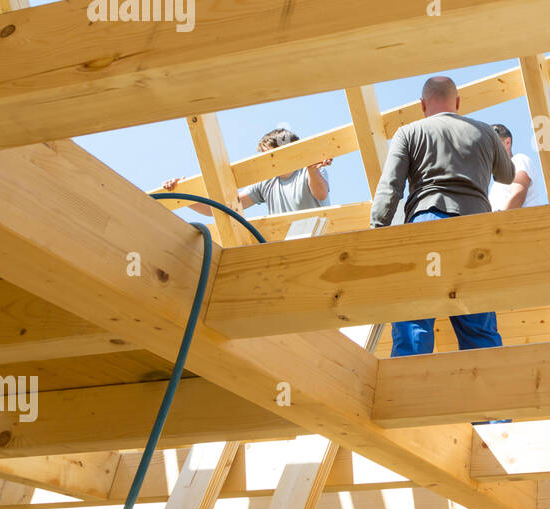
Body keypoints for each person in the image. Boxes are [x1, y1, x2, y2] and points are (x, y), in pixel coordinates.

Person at [371, 76, 515, 358]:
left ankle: (409, 394)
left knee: (414, 322)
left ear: (423, 104)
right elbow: (507, 175)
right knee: (479, 327)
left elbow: (390, 189)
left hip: (427, 225)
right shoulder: (485, 132)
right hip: (475, 228)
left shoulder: (409, 132)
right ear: (458, 103)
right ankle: (487, 396)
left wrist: (377, 230)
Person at [163, 127, 332, 216]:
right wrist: (185, 196)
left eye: (268, 155)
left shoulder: (308, 171)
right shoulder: (266, 183)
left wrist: (311, 168)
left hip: (319, 238)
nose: (263, 161)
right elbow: (224, 209)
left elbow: (321, 194)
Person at [488, 124, 545, 210]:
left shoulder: (518, 160)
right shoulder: (496, 185)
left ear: (507, 142)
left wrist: (499, 222)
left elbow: (518, 195)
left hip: (522, 221)